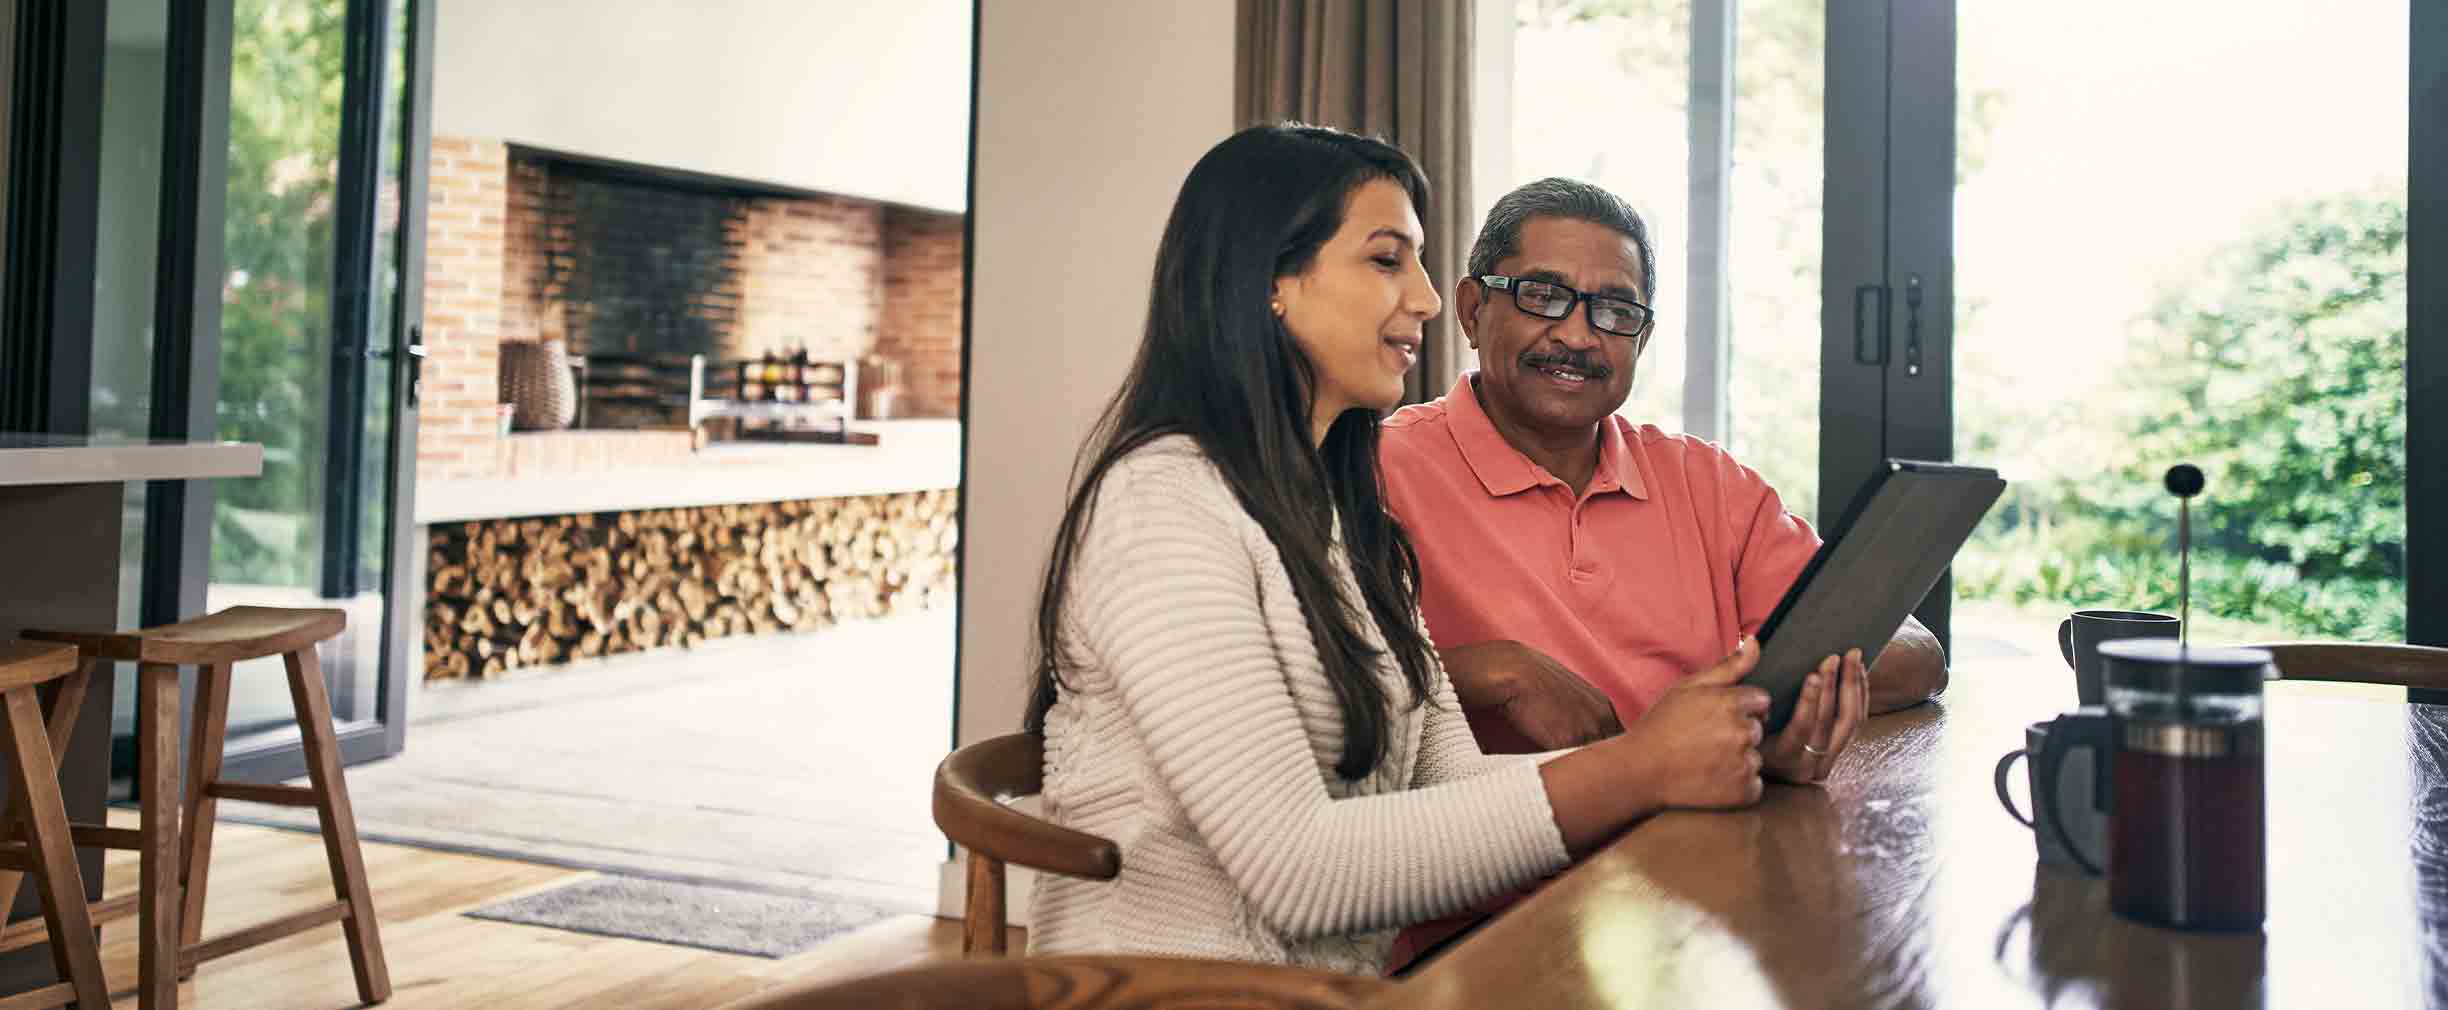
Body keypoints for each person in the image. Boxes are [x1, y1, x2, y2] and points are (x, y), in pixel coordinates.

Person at [1019, 127, 1847, 975]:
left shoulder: (1334, 510)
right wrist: (1641, 768)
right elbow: (1300, 872)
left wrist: (1699, 755)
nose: (1421, 298)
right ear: (1269, 281)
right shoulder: (1161, 506)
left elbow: (1449, 781)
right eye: (1387, 261)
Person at [1378, 177, 1947, 967]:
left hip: (1694, 895)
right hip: (1482, 927)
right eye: (1545, 296)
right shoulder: (1374, 471)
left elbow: (1912, 653)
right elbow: (1303, 696)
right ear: (1474, 309)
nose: (1578, 335)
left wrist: (1736, 720)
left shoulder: (1705, 483)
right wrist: (1486, 672)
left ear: (1640, 340)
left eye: (1615, 311)